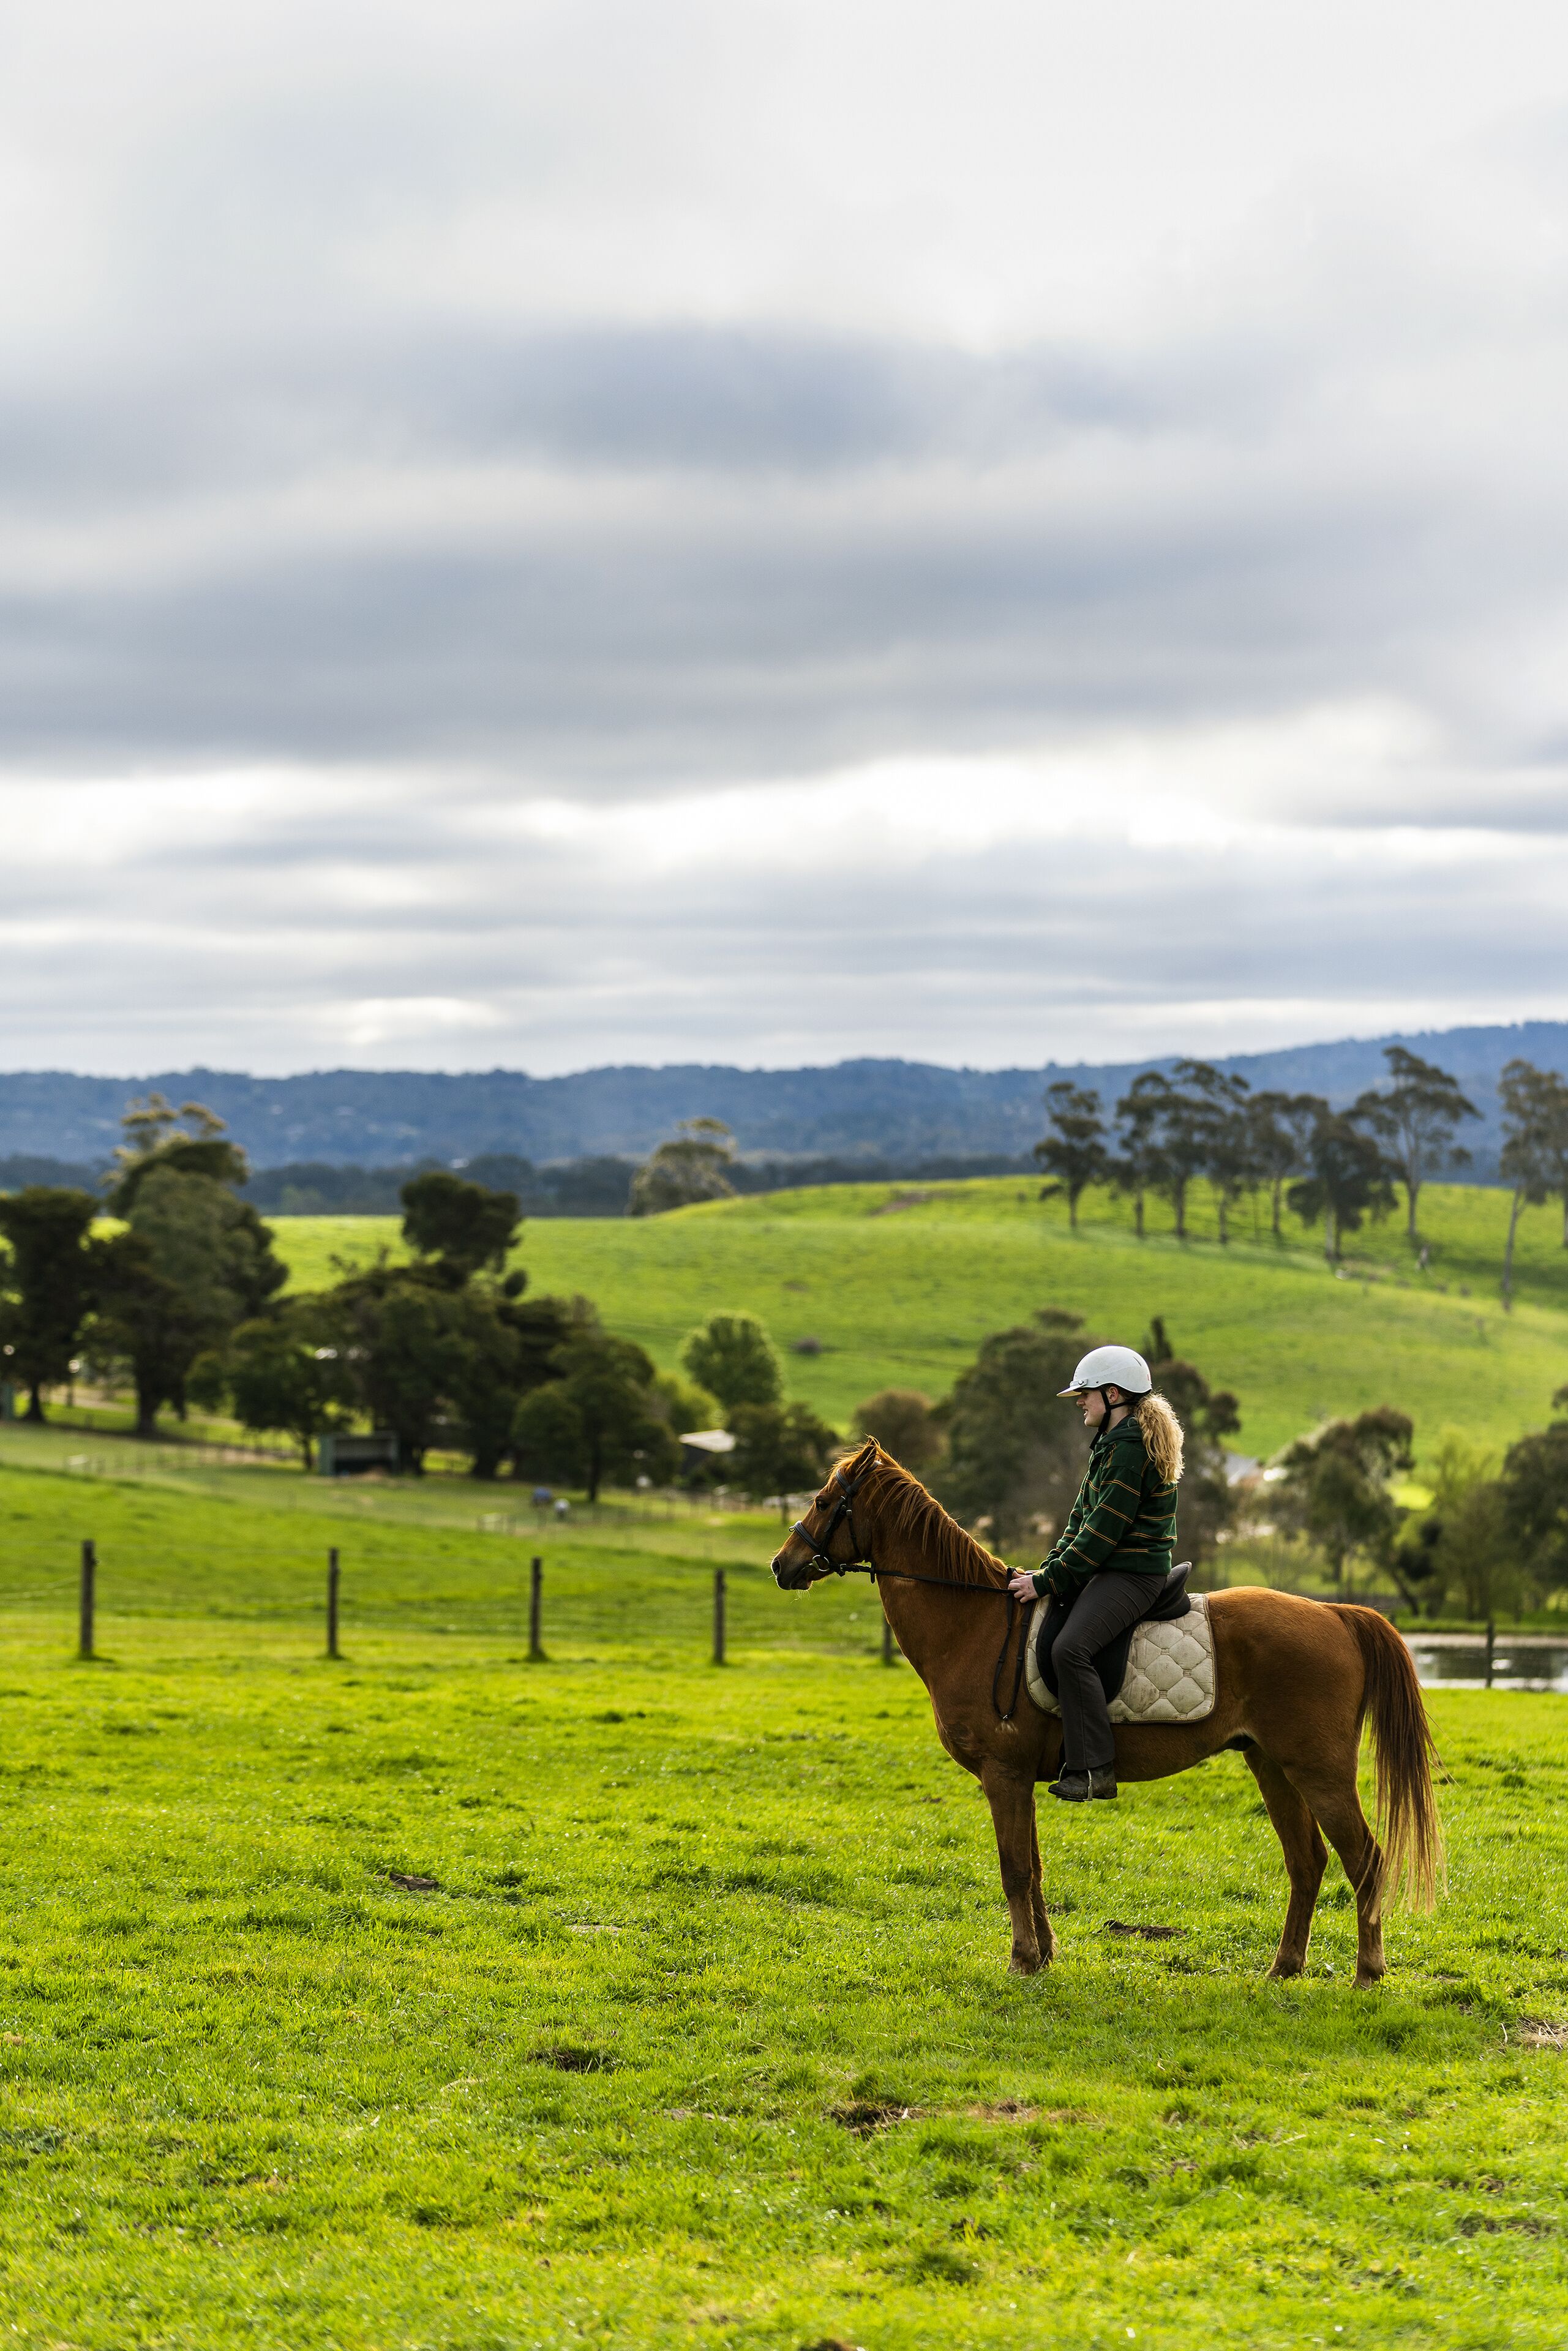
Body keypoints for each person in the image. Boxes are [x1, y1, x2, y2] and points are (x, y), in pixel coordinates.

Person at [1005, 1345, 1184, 1804]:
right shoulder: (1109, 1445)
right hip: (1110, 1569)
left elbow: (1101, 1538)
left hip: (1131, 1574)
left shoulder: (1127, 1452)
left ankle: (1094, 1769)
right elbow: (1078, 1525)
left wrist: (1045, 1582)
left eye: (1084, 1394)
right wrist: (1047, 1568)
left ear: (1112, 1393)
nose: (1079, 1402)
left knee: (1071, 1650)